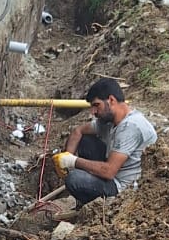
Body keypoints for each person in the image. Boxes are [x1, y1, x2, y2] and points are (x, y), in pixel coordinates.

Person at [55, 77, 158, 207]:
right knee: (85, 141)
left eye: (96, 105)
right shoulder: (109, 121)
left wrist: (72, 161)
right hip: (113, 173)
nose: (93, 112)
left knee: (74, 179)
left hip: (124, 188)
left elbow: (109, 171)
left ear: (111, 100)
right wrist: (65, 157)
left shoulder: (131, 126)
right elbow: (78, 131)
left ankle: (99, 207)